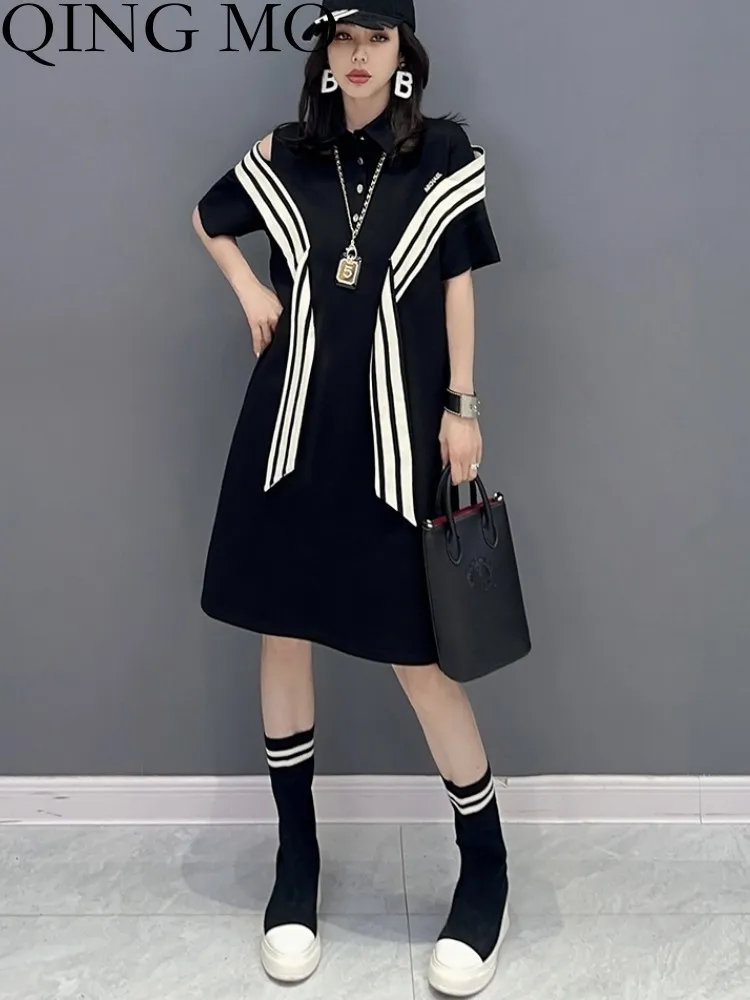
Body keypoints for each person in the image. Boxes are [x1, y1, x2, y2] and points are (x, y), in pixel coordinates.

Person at [192, 1, 509, 994]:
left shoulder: (440, 152)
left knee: (422, 657)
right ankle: (297, 864)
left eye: (377, 39)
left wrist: (462, 402)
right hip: (289, 437)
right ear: (325, 54)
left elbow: (456, 279)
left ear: (403, 52)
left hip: (396, 441)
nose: (359, 55)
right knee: (283, 634)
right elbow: (209, 216)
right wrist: (249, 287)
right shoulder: (289, 152)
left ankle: (486, 867)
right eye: (343, 39)